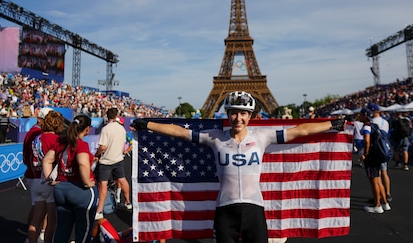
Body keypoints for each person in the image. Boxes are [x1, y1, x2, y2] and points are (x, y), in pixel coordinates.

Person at [130, 91, 346, 243]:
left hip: (254, 210)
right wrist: (147, 124)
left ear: (250, 116)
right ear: (227, 114)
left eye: (243, 113)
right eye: (233, 112)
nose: (238, 118)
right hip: (225, 211)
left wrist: (331, 125)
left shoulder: (262, 137)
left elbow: (301, 131)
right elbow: (178, 132)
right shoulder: (214, 138)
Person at [42, 115, 97, 243]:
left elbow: (47, 160)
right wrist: (87, 181)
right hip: (80, 190)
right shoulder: (81, 144)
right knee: (83, 229)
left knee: (62, 228)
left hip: (61, 188)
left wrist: (50, 179)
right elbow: (82, 163)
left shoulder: (60, 142)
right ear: (87, 129)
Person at [27, 110, 64, 243]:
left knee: (36, 219)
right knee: (51, 221)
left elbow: (32, 159)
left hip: (37, 179)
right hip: (50, 181)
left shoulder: (37, 138)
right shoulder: (57, 140)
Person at [95, 108, 132, 220]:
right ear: (116, 115)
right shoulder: (122, 129)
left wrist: (96, 155)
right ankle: (128, 202)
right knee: (123, 180)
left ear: (107, 116)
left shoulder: (106, 129)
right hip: (118, 159)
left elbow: (102, 147)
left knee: (103, 185)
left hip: (106, 160)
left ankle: (100, 210)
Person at [22, 107, 53, 242]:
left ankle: (37, 234)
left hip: (36, 174)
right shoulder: (37, 133)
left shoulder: (36, 132)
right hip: (37, 175)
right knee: (39, 210)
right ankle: (35, 236)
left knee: (39, 209)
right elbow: (29, 156)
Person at [358, 107, 391, 214]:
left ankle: (377, 205)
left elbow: (367, 140)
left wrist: (365, 154)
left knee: (374, 181)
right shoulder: (374, 125)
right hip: (377, 155)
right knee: (378, 180)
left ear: (364, 115)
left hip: (371, 157)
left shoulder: (367, 126)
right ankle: (384, 203)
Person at [367, 103, 392, 203]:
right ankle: (388, 193)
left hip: (376, 149)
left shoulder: (372, 122)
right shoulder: (385, 121)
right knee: (385, 173)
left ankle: (379, 196)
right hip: (385, 148)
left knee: (377, 176)